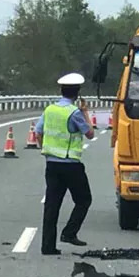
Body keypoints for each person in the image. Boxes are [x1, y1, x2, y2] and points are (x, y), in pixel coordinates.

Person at [35, 72, 95, 255]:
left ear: (61, 90)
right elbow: (90, 134)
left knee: (52, 205)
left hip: (51, 163)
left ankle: (48, 246)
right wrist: (85, 111)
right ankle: (69, 233)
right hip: (70, 164)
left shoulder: (50, 110)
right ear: (77, 94)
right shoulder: (74, 113)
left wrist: (44, 148)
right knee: (84, 200)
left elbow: (38, 132)